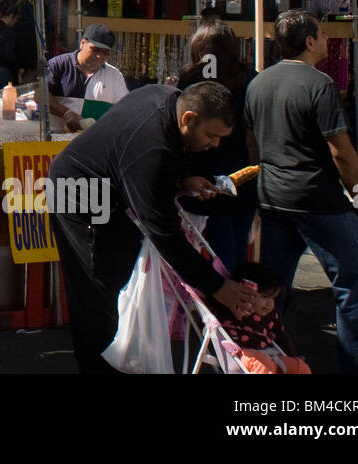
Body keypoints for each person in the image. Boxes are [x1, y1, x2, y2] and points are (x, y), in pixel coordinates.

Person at [47, 82, 257, 373]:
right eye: (211, 135)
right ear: (188, 118)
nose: (215, 145)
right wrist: (216, 286)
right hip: (78, 194)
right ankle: (101, 366)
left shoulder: (168, 98)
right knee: (99, 291)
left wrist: (183, 179)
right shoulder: (151, 148)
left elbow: (162, 163)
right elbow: (164, 233)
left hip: (113, 192)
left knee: (124, 277)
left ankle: (122, 358)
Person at [244, 9, 358, 374]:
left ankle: (262, 355)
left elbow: (253, 144)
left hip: (274, 197)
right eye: (322, 34)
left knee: (273, 288)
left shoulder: (258, 83)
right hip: (318, 201)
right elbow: (342, 153)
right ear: (309, 41)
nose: (326, 40)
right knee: (354, 283)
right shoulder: (318, 84)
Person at [175, 23, 257, 272]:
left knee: (212, 248)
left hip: (202, 174)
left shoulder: (190, 78)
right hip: (242, 175)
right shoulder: (249, 79)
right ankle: (239, 298)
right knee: (237, 245)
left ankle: (220, 297)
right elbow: (253, 137)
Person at [208, 262, 311, 374]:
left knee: (301, 367)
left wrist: (292, 357)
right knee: (262, 366)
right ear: (246, 292)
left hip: (268, 354)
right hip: (241, 354)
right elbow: (210, 300)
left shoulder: (272, 314)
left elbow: (281, 336)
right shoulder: (231, 308)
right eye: (264, 297)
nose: (269, 304)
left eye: (273, 298)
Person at [46, 23, 129, 132]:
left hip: (93, 141)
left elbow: (125, 109)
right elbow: (40, 94)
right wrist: (66, 114)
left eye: (105, 53)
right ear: (83, 43)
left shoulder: (114, 76)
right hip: (57, 138)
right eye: (95, 49)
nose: (99, 56)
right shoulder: (58, 65)